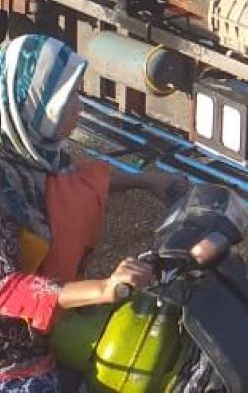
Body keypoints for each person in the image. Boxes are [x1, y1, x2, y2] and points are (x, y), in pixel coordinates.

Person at [0, 34, 186, 391]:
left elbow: (74, 178)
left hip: (50, 332)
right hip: (13, 365)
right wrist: (102, 288)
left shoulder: (30, 151)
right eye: (66, 98)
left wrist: (146, 181)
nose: (79, 108)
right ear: (36, 105)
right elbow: (7, 289)